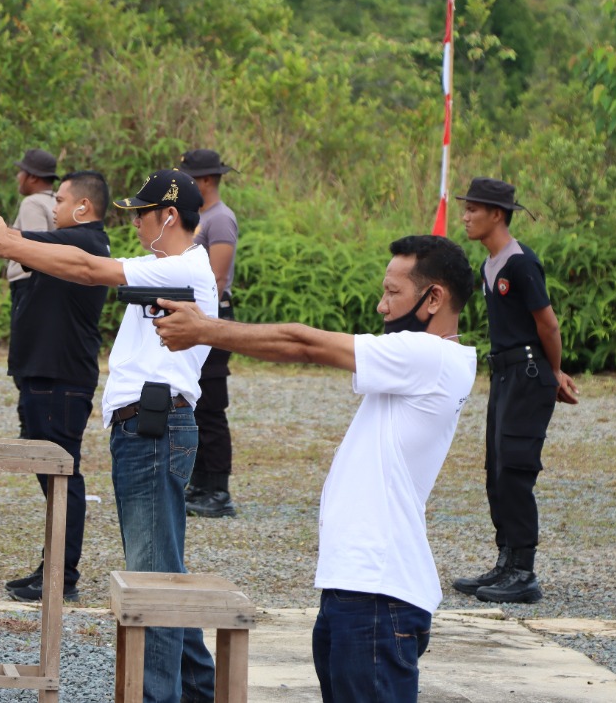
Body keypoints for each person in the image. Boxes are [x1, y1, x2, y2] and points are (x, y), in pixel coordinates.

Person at [153, 234, 478, 703]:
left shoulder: (430, 357)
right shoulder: (424, 362)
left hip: (377, 595)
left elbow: (302, 343)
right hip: (358, 591)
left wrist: (206, 328)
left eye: (393, 292)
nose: (382, 306)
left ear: (434, 298)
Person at [0, 169, 219, 703]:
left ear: (168, 216)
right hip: (150, 427)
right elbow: (80, 264)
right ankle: (197, 689)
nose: (135, 223)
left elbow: (83, 266)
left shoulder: (187, 268)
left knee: (152, 581)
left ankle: (159, 696)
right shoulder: (169, 266)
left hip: (153, 427)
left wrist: (11, 242)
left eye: (142, 214)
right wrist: (11, 241)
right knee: (161, 566)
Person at [454, 177, 579, 604]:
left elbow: (548, 324)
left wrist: (555, 371)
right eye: (465, 208)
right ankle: (505, 560)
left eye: (473, 209)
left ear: (497, 214)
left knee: (517, 470)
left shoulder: (521, 263)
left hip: (528, 373)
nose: (465, 217)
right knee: (497, 469)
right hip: (505, 374)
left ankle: (524, 572)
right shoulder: (490, 265)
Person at [1, 171, 111, 603]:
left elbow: (15, 241)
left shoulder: (84, 243)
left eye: (61, 201)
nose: (55, 208)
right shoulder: (70, 243)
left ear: (83, 207)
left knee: (64, 477)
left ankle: (61, 574)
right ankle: (54, 568)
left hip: (60, 380)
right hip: (47, 377)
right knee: (53, 477)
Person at [178, 148, 240, 518]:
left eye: (188, 177)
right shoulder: (200, 217)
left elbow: (217, 278)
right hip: (197, 316)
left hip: (213, 316)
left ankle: (218, 490)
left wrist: (205, 325)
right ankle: (199, 482)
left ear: (204, 180)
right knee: (196, 401)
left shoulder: (220, 219)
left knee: (212, 404)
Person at [7, 149, 60, 439]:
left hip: (29, 284)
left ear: (32, 177)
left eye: (21, 171)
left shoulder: (31, 202)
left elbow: (34, 247)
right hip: (47, 287)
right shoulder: (56, 202)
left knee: (23, 355)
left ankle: (30, 424)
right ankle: (35, 421)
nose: (18, 176)